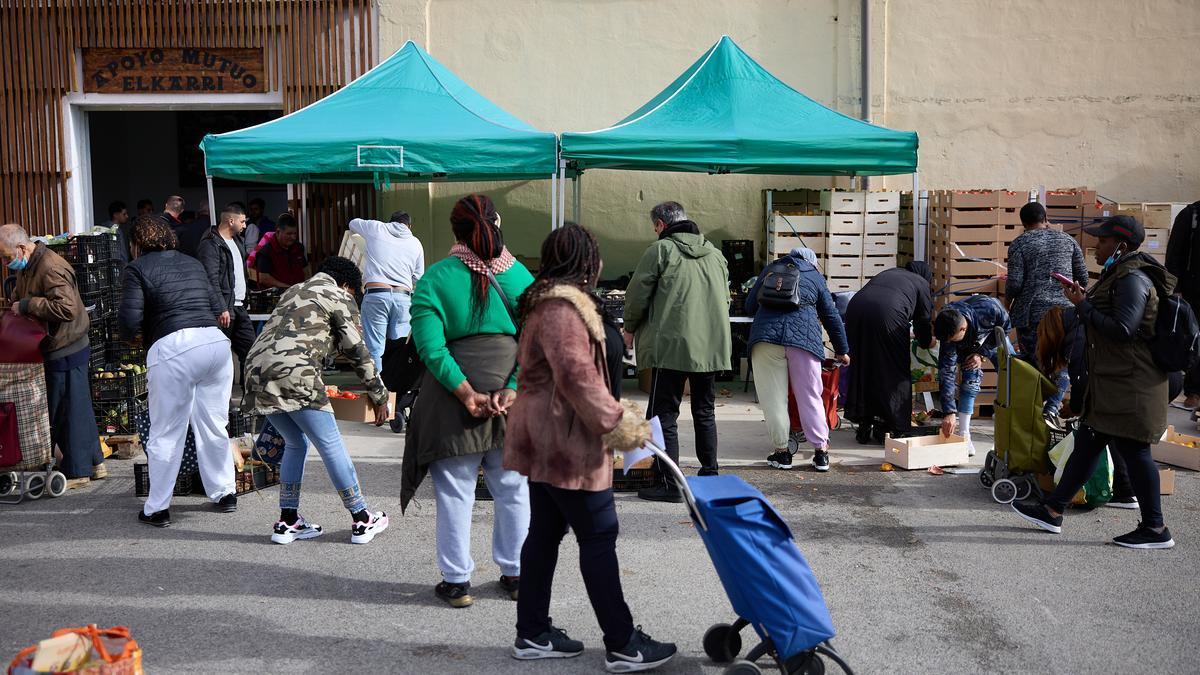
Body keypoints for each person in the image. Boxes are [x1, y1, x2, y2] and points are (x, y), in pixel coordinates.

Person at [504, 223, 678, 672]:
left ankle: (533, 633)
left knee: (544, 532)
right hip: (564, 441)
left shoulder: (551, 303)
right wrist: (620, 424)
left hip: (549, 438)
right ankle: (623, 644)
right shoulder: (562, 309)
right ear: (586, 261)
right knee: (597, 535)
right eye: (596, 256)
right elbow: (578, 378)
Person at [401, 193, 532, 609]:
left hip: (451, 399)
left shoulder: (436, 279)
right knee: (513, 488)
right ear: (497, 222)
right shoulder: (521, 277)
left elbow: (430, 348)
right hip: (512, 397)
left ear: (455, 231)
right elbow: (537, 341)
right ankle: (515, 574)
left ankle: (457, 582)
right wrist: (511, 386)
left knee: (456, 490)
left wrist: (465, 391)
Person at [1012, 215, 1176, 549]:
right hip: (1113, 382)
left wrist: (1082, 305)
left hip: (1131, 384)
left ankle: (1155, 529)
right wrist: (1085, 299)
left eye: (1101, 242)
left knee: (1136, 451)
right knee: (1088, 441)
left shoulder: (1133, 279)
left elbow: (1123, 329)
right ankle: (1053, 509)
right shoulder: (1120, 275)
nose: (1095, 247)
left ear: (1121, 246)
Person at [242, 256, 391, 545]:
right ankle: (362, 518)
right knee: (331, 444)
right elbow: (357, 351)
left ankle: (288, 521)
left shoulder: (293, 290)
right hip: (297, 375)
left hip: (255, 373)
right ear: (347, 284)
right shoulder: (337, 295)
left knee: (296, 442)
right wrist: (380, 395)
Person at [118, 216, 236, 527]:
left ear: (137, 245)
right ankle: (225, 492)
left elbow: (129, 320)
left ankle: (157, 508)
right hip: (214, 344)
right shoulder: (193, 262)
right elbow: (215, 303)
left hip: (174, 346)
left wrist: (137, 337)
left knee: (166, 432)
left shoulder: (137, 268)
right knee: (214, 423)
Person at [623, 201, 731, 501]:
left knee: (663, 414)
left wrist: (629, 329)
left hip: (670, 346)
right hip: (709, 347)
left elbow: (636, 295)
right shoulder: (715, 254)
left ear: (660, 224)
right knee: (705, 410)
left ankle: (670, 483)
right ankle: (710, 474)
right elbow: (725, 298)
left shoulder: (660, 251)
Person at [0, 224, 105, 481]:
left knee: (67, 410)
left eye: (6, 256)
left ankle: (77, 471)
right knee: (77, 406)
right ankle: (95, 463)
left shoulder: (50, 266)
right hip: (60, 345)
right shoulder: (31, 265)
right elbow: (23, 294)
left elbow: (67, 308)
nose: (5, 262)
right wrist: (17, 303)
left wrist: (27, 305)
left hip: (65, 346)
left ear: (22, 248)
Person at [744, 247, 850, 471]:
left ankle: (782, 453)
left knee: (774, 399)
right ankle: (821, 453)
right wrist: (842, 350)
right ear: (811, 261)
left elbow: (749, 305)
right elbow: (831, 315)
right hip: (804, 342)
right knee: (810, 395)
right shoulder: (814, 275)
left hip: (766, 340)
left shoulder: (770, 270)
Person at [1005, 202, 1088, 420]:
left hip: (1031, 314)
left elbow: (1014, 282)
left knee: (1034, 362)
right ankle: (1051, 407)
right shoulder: (1068, 240)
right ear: (1045, 218)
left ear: (1023, 223)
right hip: (1066, 313)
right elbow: (1083, 277)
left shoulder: (1019, 244)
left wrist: (1008, 302)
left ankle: (1036, 409)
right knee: (1062, 362)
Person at [844, 261, 935, 444]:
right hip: (886, 314)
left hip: (855, 310)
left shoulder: (890, 272)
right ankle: (894, 425)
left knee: (864, 365)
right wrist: (927, 341)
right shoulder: (921, 283)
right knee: (895, 369)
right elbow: (923, 322)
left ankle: (864, 421)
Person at [933, 294, 1012, 456]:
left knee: (1012, 372)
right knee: (970, 378)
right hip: (969, 345)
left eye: (953, 340)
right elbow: (946, 371)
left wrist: (981, 354)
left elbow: (1006, 328)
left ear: (962, 329)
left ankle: (1011, 418)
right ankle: (964, 433)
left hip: (993, 339)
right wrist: (949, 412)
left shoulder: (990, 309)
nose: (950, 344)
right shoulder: (949, 330)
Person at [350, 210, 425, 373]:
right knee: (398, 348)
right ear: (409, 226)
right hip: (403, 299)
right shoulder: (416, 243)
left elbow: (353, 223)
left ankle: (377, 392)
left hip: (376, 295)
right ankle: (396, 392)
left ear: (389, 222)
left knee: (375, 350)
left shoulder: (376, 228)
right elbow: (418, 277)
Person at [197, 203, 255, 375]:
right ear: (231, 221)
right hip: (223, 309)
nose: (245, 226)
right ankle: (224, 401)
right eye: (242, 221)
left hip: (239, 306)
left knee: (251, 353)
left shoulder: (238, 241)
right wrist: (221, 307)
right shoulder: (210, 244)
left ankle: (249, 399)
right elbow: (210, 279)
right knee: (220, 359)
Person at [1164, 200, 1200, 408]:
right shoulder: (1191, 214)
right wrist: (1176, 290)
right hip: (1192, 292)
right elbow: (1174, 253)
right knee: (1192, 340)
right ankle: (1193, 390)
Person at [254, 214, 308, 289]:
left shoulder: (298, 247)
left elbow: (305, 270)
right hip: (278, 297)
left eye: (295, 234)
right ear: (278, 232)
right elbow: (264, 278)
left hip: (299, 293)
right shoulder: (266, 252)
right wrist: (289, 288)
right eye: (289, 234)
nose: (293, 237)